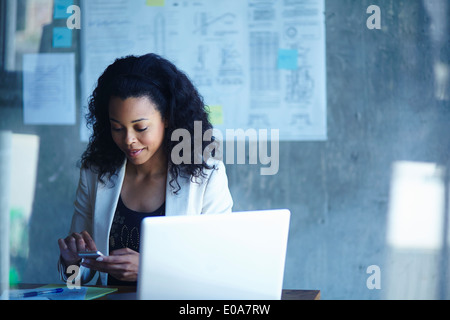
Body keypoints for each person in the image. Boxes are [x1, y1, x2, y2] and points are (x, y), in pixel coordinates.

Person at [57, 53, 233, 286]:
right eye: (117, 128)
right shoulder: (95, 173)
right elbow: (78, 278)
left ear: (167, 119)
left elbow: (221, 266)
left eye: (140, 127)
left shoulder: (206, 176)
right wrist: (72, 262)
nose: (129, 140)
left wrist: (150, 269)